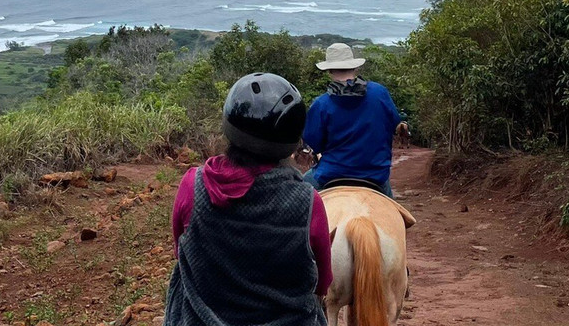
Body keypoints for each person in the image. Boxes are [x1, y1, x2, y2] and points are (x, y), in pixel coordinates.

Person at [165, 72, 332, 326]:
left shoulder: (193, 185)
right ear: (291, 140)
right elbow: (323, 282)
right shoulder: (308, 202)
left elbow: (180, 251)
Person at [303, 43, 409, 198]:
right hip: (376, 176)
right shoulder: (380, 93)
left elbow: (314, 142)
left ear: (329, 70)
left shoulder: (321, 104)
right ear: (355, 67)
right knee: (398, 216)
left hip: (331, 174)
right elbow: (394, 123)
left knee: (302, 189)